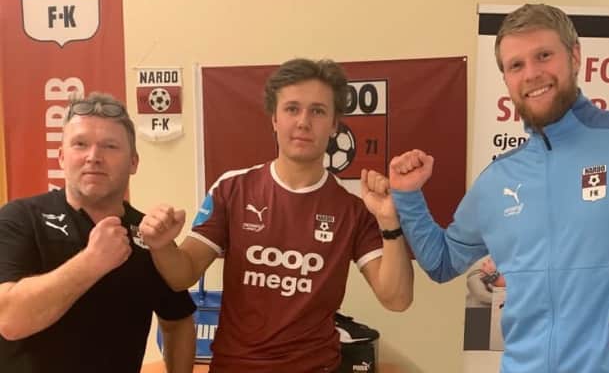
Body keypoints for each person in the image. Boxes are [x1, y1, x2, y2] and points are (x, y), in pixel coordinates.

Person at [388, 4, 609, 373]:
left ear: (574, 56)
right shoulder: (498, 180)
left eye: (544, 56)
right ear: (506, 79)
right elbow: (441, 262)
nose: (532, 73)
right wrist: (408, 196)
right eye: (516, 65)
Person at [139, 58, 414, 373]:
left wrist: (390, 222)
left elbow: (397, 299)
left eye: (318, 111)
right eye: (292, 109)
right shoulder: (232, 188)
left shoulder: (351, 209)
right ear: (274, 118)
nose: (303, 122)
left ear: (334, 124)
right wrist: (162, 245)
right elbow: (182, 275)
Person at [0, 93, 196, 373]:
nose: (93, 157)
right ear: (62, 157)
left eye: (110, 146)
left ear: (133, 162)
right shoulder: (19, 218)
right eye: (80, 144)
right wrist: (92, 262)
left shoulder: (149, 235)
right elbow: (9, 321)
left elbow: (178, 321)